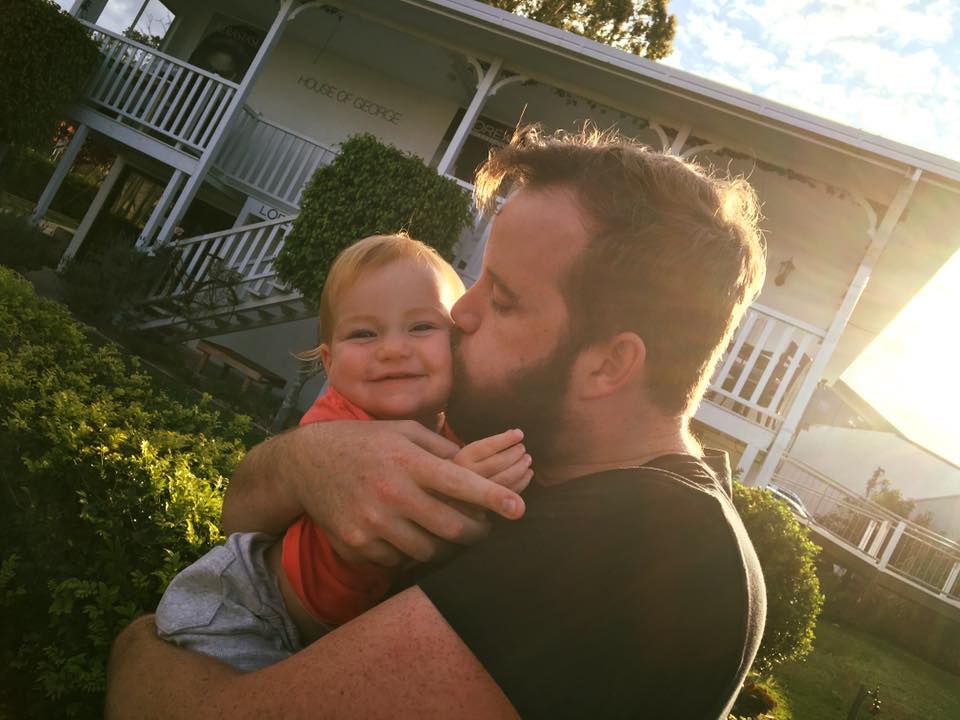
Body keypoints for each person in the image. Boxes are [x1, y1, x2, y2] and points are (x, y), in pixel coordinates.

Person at [106, 127, 768, 719]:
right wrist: (312, 461)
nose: (459, 315)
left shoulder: (644, 549)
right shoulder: (557, 472)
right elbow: (241, 515)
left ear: (609, 365)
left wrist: (137, 651)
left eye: (503, 300)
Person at [154, 234, 533, 670]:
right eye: (363, 333)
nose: (392, 349)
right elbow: (389, 504)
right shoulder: (339, 422)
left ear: (456, 344)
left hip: (317, 644)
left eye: (422, 327)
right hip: (250, 609)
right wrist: (460, 483)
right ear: (330, 364)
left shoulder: (457, 431)